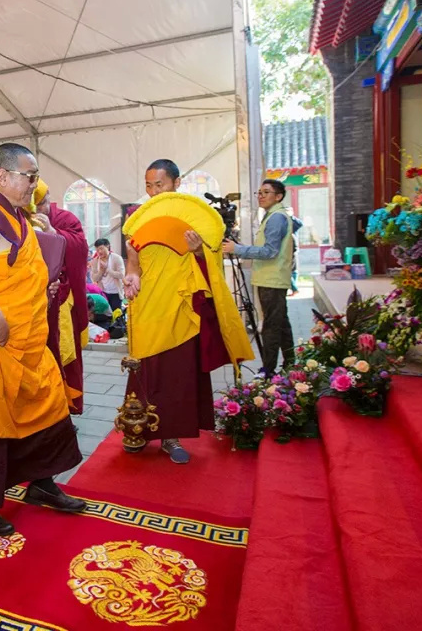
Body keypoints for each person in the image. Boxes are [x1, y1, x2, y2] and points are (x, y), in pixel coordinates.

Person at [0, 142, 84, 536]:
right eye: (30, 176)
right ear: (4, 177)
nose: (34, 184)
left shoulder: (14, 214)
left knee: (47, 404)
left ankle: (41, 483)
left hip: (26, 338)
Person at [124, 159, 253, 463]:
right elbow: (134, 262)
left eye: (160, 184)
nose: (154, 191)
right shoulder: (138, 219)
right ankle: (136, 429)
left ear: (177, 183)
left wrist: (198, 251)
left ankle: (171, 437)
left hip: (181, 309)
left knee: (176, 375)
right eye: (149, 185)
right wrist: (131, 269)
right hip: (148, 304)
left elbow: (213, 269)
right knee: (144, 370)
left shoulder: (193, 220)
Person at [222, 179, 295, 375]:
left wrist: (237, 249)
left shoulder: (276, 218)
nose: (261, 196)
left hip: (271, 279)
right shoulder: (272, 216)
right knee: (281, 322)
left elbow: (270, 251)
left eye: (266, 192)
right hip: (270, 277)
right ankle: (291, 364)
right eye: (259, 192)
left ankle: (268, 370)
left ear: (278, 196)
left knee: (271, 325)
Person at [31, 179, 87, 413]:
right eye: (38, 203)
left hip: (62, 297)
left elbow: (80, 248)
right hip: (33, 300)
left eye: (45, 201)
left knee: (63, 352)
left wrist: (52, 232)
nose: (44, 208)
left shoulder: (65, 219)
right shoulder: (20, 221)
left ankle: (65, 407)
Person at [89, 238, 125, 311]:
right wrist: (101, 271)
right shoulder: (95, 261)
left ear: (107, 246)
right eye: (97, 249)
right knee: (105, 315)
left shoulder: (117, 258)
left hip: (116, 292)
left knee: (116, 314)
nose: (99, 251)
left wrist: (107, 269)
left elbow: (121, 275)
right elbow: (94, 278)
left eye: (101, 248)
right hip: (103, 292)